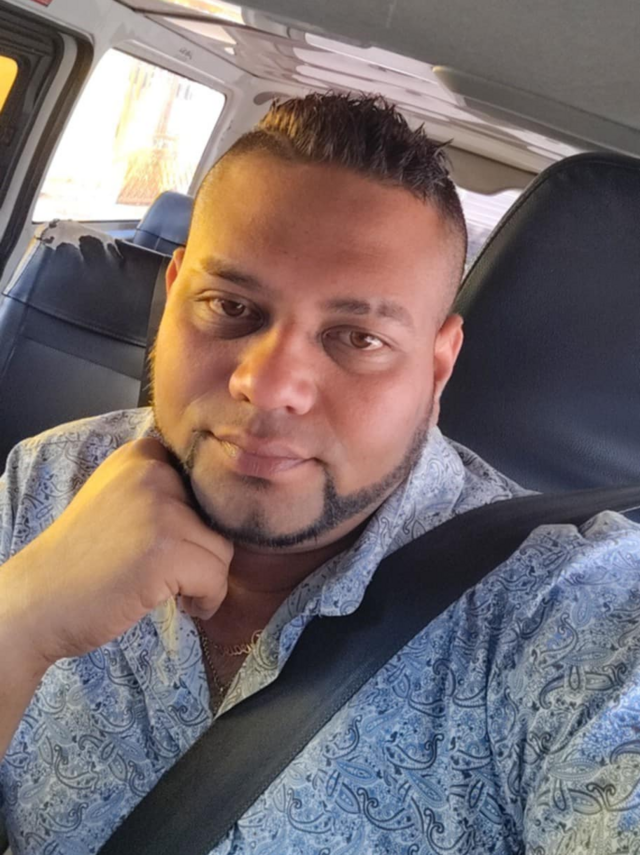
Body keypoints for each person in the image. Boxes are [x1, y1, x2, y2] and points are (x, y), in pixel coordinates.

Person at [0, 93, 639, 855]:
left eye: (356, 337)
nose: (269, 386)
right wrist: (18, 624)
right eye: (229, 305)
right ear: (171, 301)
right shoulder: (48, 477)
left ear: (437, 368)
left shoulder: (566, 610)